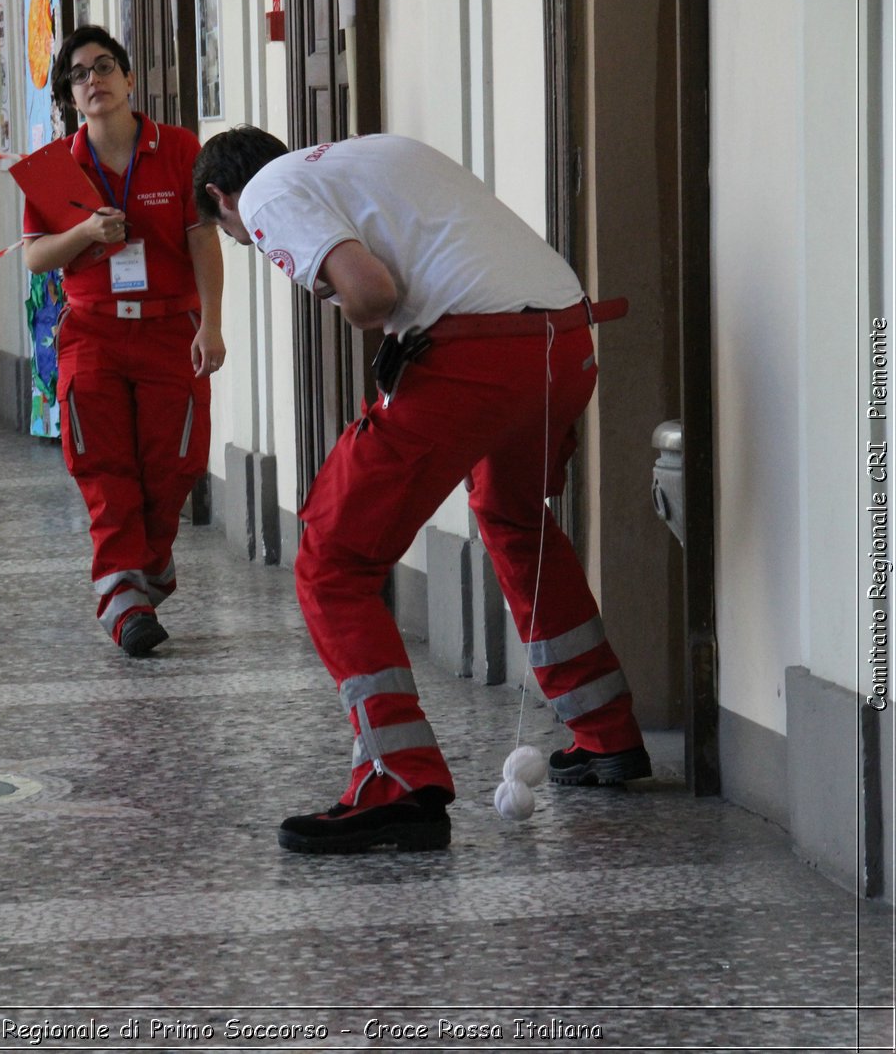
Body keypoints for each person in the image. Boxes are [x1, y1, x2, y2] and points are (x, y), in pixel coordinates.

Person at [193, 127, 651, 853]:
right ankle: (605, 730)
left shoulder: (265, 193)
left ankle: (396, 779)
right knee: (510, 513)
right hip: (565, 340)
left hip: (477, 358)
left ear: (222, 198)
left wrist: (366, 322)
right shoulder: (370, 152)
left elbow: (372, 293)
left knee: (332, 558)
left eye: (237, 235)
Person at [23, 24, 226, 657]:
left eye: (103, 66)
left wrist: (213, 325)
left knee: (176, 463)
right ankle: (123, 597)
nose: (93, 80)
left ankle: (147, 565)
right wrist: (85, 232)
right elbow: (35, 258)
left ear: (129, 78)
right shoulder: (59, 167)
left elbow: (202, 241)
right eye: (78, 74)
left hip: (171, 328)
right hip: (93, 333)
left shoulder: (179, 148)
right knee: (103, 465)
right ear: (70, 95)